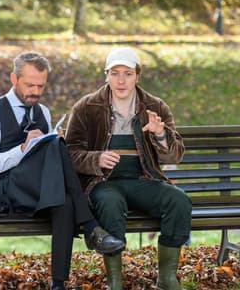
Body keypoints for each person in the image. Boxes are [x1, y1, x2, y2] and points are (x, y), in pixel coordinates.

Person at [0, 51, 124, 290]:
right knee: (56, 145)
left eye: (40, 85)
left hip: (41, 188)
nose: (35, 91)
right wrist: (23, 149)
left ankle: (58, 284)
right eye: (29, 84)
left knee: (64, 202)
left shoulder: (42, 111)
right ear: (14, 79)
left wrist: (50, 144)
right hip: (7, 188)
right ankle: (90, 226)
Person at [65, 47, 192, 290]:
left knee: (179, 201)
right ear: (106, 75)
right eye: (114, 73)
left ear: (137, 76)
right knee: (110, 205)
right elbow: (70, 154)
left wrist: (160, 133)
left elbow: (175, 154)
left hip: (143, 179)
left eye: (127, 73)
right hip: (103, 182)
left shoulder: (155, 106)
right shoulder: (87, 107)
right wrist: (96, 159)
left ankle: (167, 278)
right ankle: (115, 282)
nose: (121, 80)